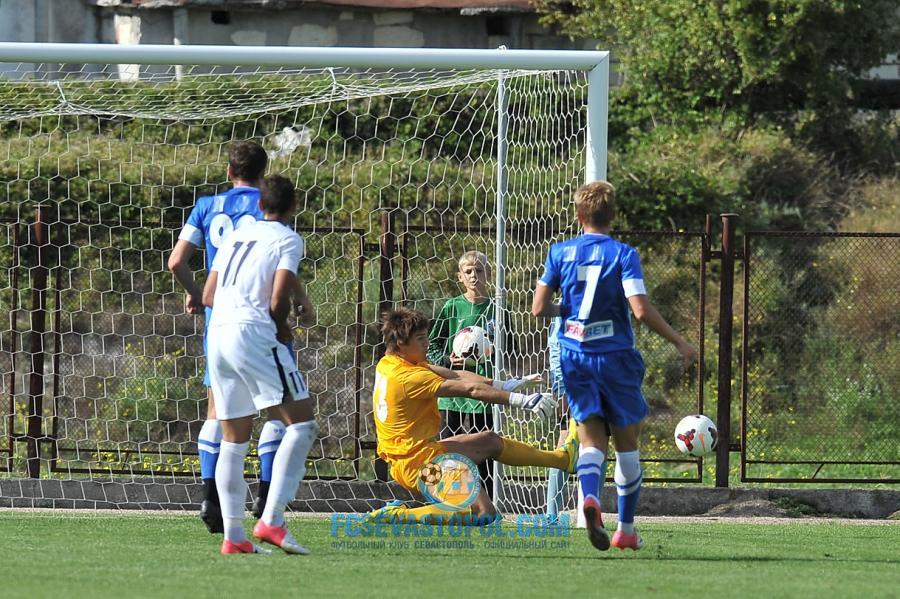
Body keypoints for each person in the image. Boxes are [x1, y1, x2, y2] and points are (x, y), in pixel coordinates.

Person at [531, 181, 696, 552]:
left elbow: (539, 308)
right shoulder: (623, 254)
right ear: (613, 215)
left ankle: (590, 496)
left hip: (574, 356)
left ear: (579, 216)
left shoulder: (560, 252)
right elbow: (640, 309)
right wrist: (679, 341)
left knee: (590, 440)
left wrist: (568, 311)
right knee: (627, 445)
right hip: (616, 357)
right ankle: (626, 529)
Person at [168, 141, 286, 533]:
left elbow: (176, 261)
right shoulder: (269, 205)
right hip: (260, 317)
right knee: (277, 408)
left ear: (229, 171)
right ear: (263, 173)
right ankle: (266, 496)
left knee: (217, 411)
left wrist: (198, 294)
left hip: (220, 321)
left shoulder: (206, 205)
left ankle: (210, 497)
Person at [369, 307, 575, 524]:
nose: (427, 343)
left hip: (422, 453)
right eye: (420, 339)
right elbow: (470, 390)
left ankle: (563, 460)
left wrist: (503, 384)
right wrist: (522, 400)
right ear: (401, 342)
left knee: (489, 441)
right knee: (483, 512)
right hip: (420, 467)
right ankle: (397, 515)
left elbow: (455, 374)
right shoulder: (409, 378)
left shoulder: (391, 363)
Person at [202, 175, 317, 555]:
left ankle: (234, 537)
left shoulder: (238, 235)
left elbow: (208, 294)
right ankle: (272, 519)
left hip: (218, 334)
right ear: (293, 206)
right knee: (302, 424)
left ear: (260, 205)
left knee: (234, 439)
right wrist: (281, 327)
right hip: (252, 333)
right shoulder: (288, 239)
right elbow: (278, 297)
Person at [426, 250, 497, 498]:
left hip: (484, 392)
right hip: (453, 390)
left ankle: (486, 503)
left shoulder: (499, 310)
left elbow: (511, 348)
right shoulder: (452, 307)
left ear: (489, 274)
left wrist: (493, 351)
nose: (474, 276)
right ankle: (442, 497)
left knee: (485, 448)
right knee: (448, 446)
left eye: (479, 270)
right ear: (460, 276)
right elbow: (432, 345)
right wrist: (447, 360)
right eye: (468, 272)